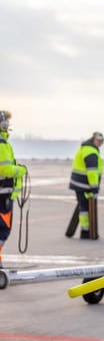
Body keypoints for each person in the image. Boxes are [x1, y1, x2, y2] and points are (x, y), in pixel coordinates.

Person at [0, 110, 27, 269]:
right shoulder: (2, 145)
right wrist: (21, 170)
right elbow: (6, 170)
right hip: (2, 195)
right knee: (2, 230)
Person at [68, 131, 104, 239]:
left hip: (80, 184)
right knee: (85, 208)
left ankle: (86, 230)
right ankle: (86, 232)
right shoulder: (90, 151)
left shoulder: (87, 148)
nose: (101, 143)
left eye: (102, 141)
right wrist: (94, 188)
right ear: (94, 140)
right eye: (99, 141)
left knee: (83, 206)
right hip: (84, 185)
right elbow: (92, 172)